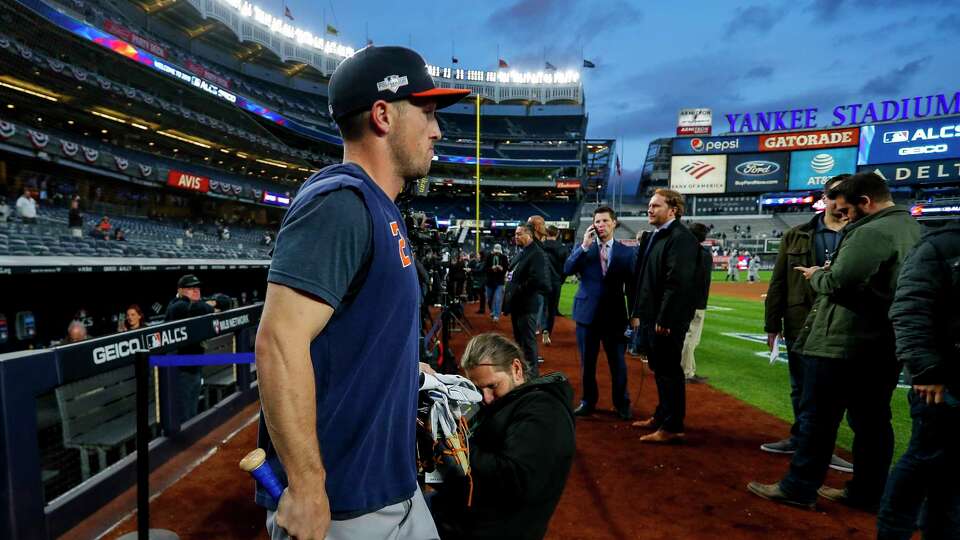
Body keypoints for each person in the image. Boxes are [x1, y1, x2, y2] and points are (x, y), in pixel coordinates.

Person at [254, 45, 469, 540]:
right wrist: (307, 487)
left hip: (390, 488)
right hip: (346, 506)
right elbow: (278, 342)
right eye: (428, 113)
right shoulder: (340, 203)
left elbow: (355, 329)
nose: (437, 131)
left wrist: (408, 370)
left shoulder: (377, 205)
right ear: (382, 116)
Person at [748, 172, 921, 511]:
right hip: (881, 343)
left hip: (844, 341)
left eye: (847, 210)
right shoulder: (910, 227)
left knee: (818, 419)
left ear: (866, 202)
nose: (844, 217)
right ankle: (867, 492)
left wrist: (817, 276)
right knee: (872, 423)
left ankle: (799, 487)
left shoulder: (871, 230)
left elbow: (839, 282)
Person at [430, 333, 575, 540]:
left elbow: (516, 479)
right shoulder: (514, 401)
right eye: (477, 390)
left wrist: (457, 447)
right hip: (463, 515)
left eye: (492, 386)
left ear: (516, 369)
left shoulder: (545, 410)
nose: (485, 399)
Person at [761, 175, 852, 473]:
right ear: (825, 198)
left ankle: (822, 446)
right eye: (836, 196)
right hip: (800, 321)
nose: (841, 204)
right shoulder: (796, 234)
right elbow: (778, 283)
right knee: (799, 386)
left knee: (831, 392)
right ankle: (800, 438)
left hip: (840, 324)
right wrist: (771, 325)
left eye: (847, 197)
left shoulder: (862, 234)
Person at [877, 219, 960, 539]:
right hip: (943, 381)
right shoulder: (941, 246)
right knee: (923, 461)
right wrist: (926, 370)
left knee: (950, 474)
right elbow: (910, 309)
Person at [630, 189, 700, 443]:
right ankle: (662, 416)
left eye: (656, 205)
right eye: (649, 205)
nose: (649, 209)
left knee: (669, 370)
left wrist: (666, 318)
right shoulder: (657, 236)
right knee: (660, 369)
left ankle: (672, 426)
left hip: (665, 320)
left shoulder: (680, 238)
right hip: (653, 317)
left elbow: (677, 282)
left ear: (673, 210)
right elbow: (646, 280)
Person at [564, 206, 634, 420]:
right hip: (587, 315)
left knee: (618, 364)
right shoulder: (584, 249)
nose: (600, 225)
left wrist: (635, 315)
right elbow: (566, 270)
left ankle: (621, 403)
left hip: (615, 316)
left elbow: (632, 287)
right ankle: (588, 401)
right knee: (588, 363)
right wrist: (584, 246)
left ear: (614, 223)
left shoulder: (627, 252)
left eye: (605, 221)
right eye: (597, 221)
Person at [165, 274, 215, 420]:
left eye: (197, 287)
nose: (196, 290)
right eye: (190, 288)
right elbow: (201, 309)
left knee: (192, 412)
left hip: (194, 367)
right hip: (181, 370)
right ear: (180, 290)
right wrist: (208, 305)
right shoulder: (177, 306)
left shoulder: (193, 304)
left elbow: (223, 302)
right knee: (184, 415)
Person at [503, 224, 550, 378]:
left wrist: (517, 289)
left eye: (519, 234)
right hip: (518, 304)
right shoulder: (523, 252)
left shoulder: (536, 253)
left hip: (527, 305)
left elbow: (537, 280)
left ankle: (532, 377)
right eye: (515, 234)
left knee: (528, 343)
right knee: (520, 342)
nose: (516, 237)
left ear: (529, 234)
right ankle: (524, 374)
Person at [681, 223, 712, 383]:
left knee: (689, 338)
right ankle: (686, 372)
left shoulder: (683, 252)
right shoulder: (703, 254)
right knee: (691, 338)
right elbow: (702, 282)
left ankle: (689, 370)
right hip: (696, 303)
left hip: (684, 302)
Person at [541, 225, 568, 346]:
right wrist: (561, 280)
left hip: (540, 281)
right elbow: (566, 268)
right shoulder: (563, 248)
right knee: (551, 309)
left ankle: (538, 328)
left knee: (540, 307)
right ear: (557, 235)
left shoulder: (540, 246)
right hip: (555, 281)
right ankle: (546, 330)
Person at [484, 244, 507, 322]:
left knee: (498, 299)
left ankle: (496, 315)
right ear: (493, 250)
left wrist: (502, 268)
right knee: (489, 299)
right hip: (489, 282)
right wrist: (491, 268)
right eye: (496, 252)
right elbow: (485, 269)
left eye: (498, 252)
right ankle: (493, 310)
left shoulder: (504, 257)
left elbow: (506, 268)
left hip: (499, 282)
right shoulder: (488, 257)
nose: (497, 253)